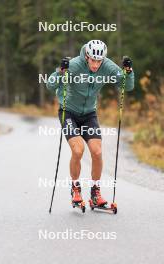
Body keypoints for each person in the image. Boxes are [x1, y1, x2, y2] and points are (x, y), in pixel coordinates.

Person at [47, 40, 134, 207]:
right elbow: (50, 85)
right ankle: (76, 188)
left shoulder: (107, 66)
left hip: (89, 114)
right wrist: (60, 71)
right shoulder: (74, 64)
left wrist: (128, 72)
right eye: (92, 60)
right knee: (78, 150)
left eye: (99, 61)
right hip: (69, 113)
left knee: (97, 151)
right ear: (86, 56)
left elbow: (125, 86)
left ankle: (95, 193)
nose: (95, 64)